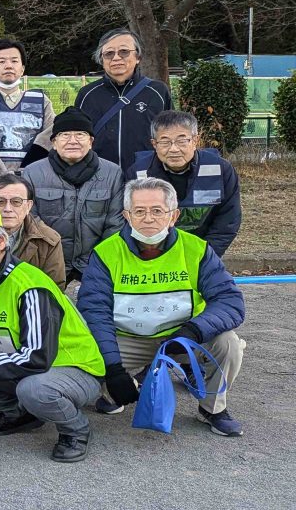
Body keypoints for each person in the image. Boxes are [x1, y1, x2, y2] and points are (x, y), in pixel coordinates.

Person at [0, 200, 106, 463]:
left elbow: (35, 358)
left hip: (73, 369)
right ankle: (19, 414)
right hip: (22, 364)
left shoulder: (29, 285)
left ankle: (75, 430)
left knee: (33, 389)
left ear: (0, 241)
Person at [78, 178, 246, 436]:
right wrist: (112, 368)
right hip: (127, 339)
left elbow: (230, 301)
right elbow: (94, 312)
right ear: (126, 215)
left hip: (182, 338)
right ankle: (120, 387)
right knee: (82, 350)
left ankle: (212, 409)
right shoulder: (105, 253)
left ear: (173, 215)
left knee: (228, 343)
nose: (148, 219)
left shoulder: (196, 249)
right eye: (139, 211)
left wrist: (194, 331)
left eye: (157, 211)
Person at [22, 107, 124, 282]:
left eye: (80, 134)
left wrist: (98, 260)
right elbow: (31, 221)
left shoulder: (112, 173)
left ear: (91, 141)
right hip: (48, 261)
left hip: (97, 262)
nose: (73, 141)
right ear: (53, 141)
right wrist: (51, 258)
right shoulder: (33, 173)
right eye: (65, 135)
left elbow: (115, 224)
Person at [126, 110, 241, 257]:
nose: (174, 149)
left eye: (182, 141)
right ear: (154, 144)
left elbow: (228, 220)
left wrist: (204, 256)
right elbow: (131, 221)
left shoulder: (221, 169)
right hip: (153, 254)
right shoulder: (138, 173)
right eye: (165, 142)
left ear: (195, 140)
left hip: (204, 252)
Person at [0, 38, 55, 195]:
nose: (8, 65)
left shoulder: (41, 102)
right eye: (1, 61)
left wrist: (23, 178)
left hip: (30, 187)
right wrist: (0, 180)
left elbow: (50, 139)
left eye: (14, 61)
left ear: (22, 69)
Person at [75, 28, 173, 170]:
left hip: (147, 176)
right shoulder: (87, 94)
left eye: (124, 52)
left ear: (138, 57)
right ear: (101, 60)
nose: (116, 58)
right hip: (98, 177)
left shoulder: (157, 91)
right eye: (109, 53)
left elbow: (170, 134)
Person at [0, 174, 66, 290]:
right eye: (0, 201)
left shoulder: (48, 240)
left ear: (28, 206)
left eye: (16, 202)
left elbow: (53, 289)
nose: (8, 209)